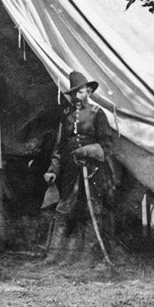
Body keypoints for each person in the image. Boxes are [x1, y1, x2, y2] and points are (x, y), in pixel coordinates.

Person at [43, 70, 114, 267]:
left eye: (80, 92)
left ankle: (90, 255)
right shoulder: (66, 115)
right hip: (71, 170)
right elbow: (59, 147)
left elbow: (107, 146)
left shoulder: (97, 114)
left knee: (92, 209)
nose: (76, 97)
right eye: (74, 93)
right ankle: (55, 254)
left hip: (93, 170)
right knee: (64, 209)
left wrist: (88, 150)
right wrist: (53, 169)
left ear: (88, 92)